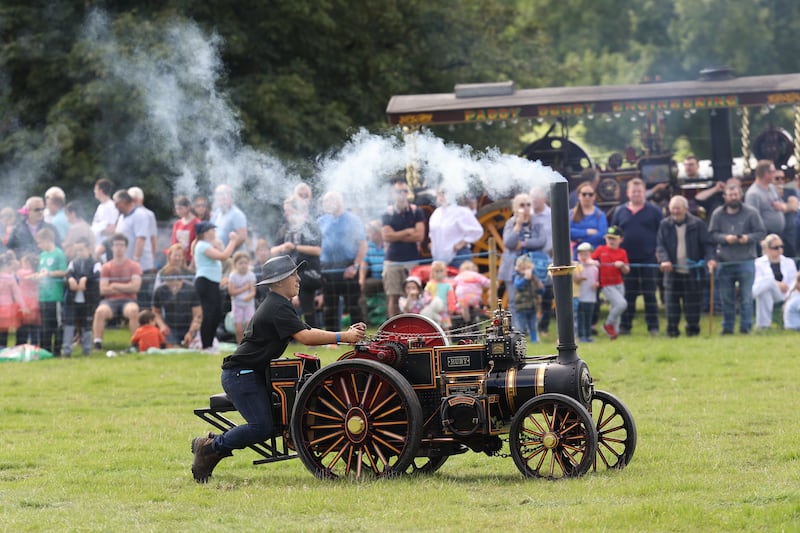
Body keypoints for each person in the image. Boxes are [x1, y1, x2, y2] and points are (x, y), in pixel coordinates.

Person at [190, 255, 367, 483]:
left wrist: (345, 334)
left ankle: (209, 445)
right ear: (279, 281)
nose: (298, 279)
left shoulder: (281, 305)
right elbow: (305, 337)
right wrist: (344, 336)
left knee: (272, 424)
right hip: (241, 375)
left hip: (251, 374)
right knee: (260, 427)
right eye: (293, 275)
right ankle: (209, 448)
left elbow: (308, 329)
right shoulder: (276, 306)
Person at [708, 181, 766, 335]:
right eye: (730, 194)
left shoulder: (751, 212)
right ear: (724, 196)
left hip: (746, 261)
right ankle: (728, 327)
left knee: (746, 298)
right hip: (725, 261)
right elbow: (712, 235)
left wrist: (747, 238)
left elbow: (761, 232)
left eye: (736, 194)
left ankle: (745, 327)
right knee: (726, 298)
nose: (733, 197)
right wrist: (725, 238)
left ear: (741, 195)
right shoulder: (717, 214)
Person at [656, 195, 716, 338]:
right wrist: (664, 260)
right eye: (672, 209)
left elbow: (707, 245)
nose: (675, 212)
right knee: (671, 305)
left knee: (693, 305)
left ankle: (693, 331)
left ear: (686, 209)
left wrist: (710, 260)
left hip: (693, 272)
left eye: (678, 208)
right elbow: (660, 245)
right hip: (672, 272)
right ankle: (672, 332)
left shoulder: (698, 224)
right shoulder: (665, 224)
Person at [611, 178, 662, 335]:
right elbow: (613, 234)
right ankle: (626, 326)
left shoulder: (654, 211)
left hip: (648, 259)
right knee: (628, 294)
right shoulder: (619, 211)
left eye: (639, 191)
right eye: (633, 191)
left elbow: (662, 233)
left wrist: (659, 251)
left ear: (644, 192)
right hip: (626, 261)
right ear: (628, 193)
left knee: (650, 294)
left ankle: (653, 327)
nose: (637, 194)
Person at [317, 191, 366, 331]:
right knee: (330, 305)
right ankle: (331, 340)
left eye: (330, 200)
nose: (327, 204)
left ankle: (359, 338)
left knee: (353, 305)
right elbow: (316, 245)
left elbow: (363, 245)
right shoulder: (321, 221)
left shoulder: (353, 220)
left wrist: (355, 266)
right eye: (325, 201)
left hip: (348, 266)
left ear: (340, 201)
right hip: (327, 268)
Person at [272, 195, 322, 327]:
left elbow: (317, 250)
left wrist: (295, 247)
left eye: (288, 210)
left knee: (306, 299)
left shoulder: (310, 226)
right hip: (289, 271)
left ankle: (314, 334)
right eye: (285, 210)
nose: (286, 213)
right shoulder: (285, 228)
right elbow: (273, 250)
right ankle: (292, 334)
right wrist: (283, 247)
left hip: (309, 271)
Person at [499, 193, 547, 326]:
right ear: (515, 208)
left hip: (532, 265)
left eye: (528, 204)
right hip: (512, 266)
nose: (526, 208)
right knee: (514, 300)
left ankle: (532, 330)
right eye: (522, 205)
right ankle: (517, 330)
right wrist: (518, 226)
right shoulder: (511, 223)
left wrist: (524, 243)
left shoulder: (537, 222)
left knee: (534, 298)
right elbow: (508, 242)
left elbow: (541, 241)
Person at [193, 221, 240, 351]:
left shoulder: (207, 245)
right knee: (209, 313)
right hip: (205, 281)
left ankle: (210, 343)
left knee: (216, 313)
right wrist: (233, 241)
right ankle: (206, 345)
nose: (214, 232)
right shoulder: (202, 245)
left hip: (212, 282)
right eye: (212, 230)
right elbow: (224, 256)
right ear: (205, 233)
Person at [382, 177, 425, 317]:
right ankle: (391, 330)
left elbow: (419, 235)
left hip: (411, 260)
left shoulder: (416, 211)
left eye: (405, 191)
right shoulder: (387, 213)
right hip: (392, 261)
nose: (402, 194)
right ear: (392, 193)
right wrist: (407, 232)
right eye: (398, 191)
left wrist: (396, 234)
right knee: (393, 297)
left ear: (408, 193)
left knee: (413, 295)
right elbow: (387, 236)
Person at [92, 233, 143, 350]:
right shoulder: (106, 267)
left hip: (129, 300)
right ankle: (97, 343)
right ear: (112, 247)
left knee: (134, 311)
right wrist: (126, 286)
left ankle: (135, 343)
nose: (119, 248)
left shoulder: (134, 266)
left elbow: (135, 287)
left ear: (126, 247)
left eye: (122, 245)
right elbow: (103, 290)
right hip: (110, 301)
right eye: (116, 245)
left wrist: (115, 285)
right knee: (100, 311)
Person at [113, 189, 156, 309]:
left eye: (117, 203)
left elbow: (140, 239)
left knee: (142, 297)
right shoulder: (121, 217)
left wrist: (135, 262)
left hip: (141, 266)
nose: (115, 207)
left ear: (125, 202)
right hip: (126, 265)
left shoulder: (140, 215)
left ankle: (146, 324)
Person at [62, 238, 100, 357]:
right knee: (69, 323)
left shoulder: (96, 263)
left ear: (88, 249)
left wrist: (86, 279)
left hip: (88, 299)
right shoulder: (73, 263)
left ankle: (87, 350)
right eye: (77, 250)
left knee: (86, 324)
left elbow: (97, 276)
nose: (79, 253)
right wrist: (70, 279)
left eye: (81, 250)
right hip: (72, 299)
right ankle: (67, 350)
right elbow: (68, 274)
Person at [427, 187, 484, 268]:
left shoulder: (462, 211)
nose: (440, 196)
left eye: (443, 193)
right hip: (439, 258)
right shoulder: (436, 213)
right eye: (439, 193)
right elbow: (432, 233)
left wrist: (462, 243)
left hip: (459, 256)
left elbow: (477, 231)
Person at [591, 226, 629, 340]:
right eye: (609, 238)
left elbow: (627, 270)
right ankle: (608, 325)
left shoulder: (622, 252)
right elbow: (590, 260)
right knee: (621, 304)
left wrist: (622, 265)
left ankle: (614, 334)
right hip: (606, 284)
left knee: (616, 308)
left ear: (620, 239)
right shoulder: (600, 249)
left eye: (614, 238)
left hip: (619, 283)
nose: (611, 241)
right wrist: (594, 262)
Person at [752, 233, 796, 330]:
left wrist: (781, 287)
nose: (780, 250)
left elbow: (793, 282)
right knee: (765, 292)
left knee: (768, 282)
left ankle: (749, 295)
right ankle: (764, 326)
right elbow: (758, 281)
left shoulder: (789, 262)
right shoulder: (758, 263)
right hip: (765, 291)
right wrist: (776, 283)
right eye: (776, 247)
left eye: (781, 247)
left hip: (785, 294)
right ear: (767, 249)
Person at [152, 265, 202, 347]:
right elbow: (156, 312)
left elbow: (198, 315)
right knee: (169, 346)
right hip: (169, 327)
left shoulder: (192, 289)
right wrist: (162, 325)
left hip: (189, 326)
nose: (174, 288)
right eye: (171, 285)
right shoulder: (159, 290)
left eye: (176, 285)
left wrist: (191, 332)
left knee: (191, 345)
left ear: (181, 280)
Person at [35, 228, 67, 357]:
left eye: (40, 243)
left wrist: (49, 274)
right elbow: (41, 272)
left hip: (55, 296)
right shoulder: (42, 255)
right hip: (42, 296)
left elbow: (63, 272)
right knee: (44, 324)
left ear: (48, 240)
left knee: (56, 324)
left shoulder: (59, 254)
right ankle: (46, 351)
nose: (39, 246)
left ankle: (57, 350)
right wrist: (35, 276)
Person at [529, 186, 555, 336]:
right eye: (531, 198)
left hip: (549, 258)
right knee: (531, 294)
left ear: (544, 199)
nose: (533, 201)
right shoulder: (527, 215)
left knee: (547, 294)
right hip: (531, 260)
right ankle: (532, 328)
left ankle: (543, 326)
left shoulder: (552, 214)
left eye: (536, 198)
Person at [745, 159, 786, 238]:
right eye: (773, 172)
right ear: (766, 174)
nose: (775, 174)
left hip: (779, 235)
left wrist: (781, 206)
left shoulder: (771, 187)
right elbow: (753, 219)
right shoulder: (753, 194)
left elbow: (781, 202)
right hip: (765, 236)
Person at [358, 220, 385, 326]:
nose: (369, 235)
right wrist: (361, 279)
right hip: (374, 279)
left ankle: (389, 319)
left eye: (370, 232)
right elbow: (364, 263)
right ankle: (365, 321)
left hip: (386, 278)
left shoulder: (387, 244)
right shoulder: (369, 246)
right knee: (362, 296)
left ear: (377, 233)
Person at [569, 182, 608, 252]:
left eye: (590, 194)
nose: (587, 197)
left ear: (594, 196)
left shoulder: (600, 215)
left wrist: (579, 239)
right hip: (576, 255)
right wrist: (587, 232)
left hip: (595, 255)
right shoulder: (571, 214)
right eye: (584, 194)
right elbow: (568, 232)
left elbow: (602, 235)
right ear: (578, 195)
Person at [227, 251, 256, 344]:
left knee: (249, 327)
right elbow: (231, 291)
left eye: (245, 263)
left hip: (249, 304)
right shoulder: (233, 276)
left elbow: (253, 291)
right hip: (237, 305)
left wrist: (248, 297)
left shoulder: (251, 275)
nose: (243, 265)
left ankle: (249, 344)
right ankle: (240, 345)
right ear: (235, 264)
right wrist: (244, 288)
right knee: (238, 328)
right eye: (240, 263)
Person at [0, 251, 27, 348]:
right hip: (7, 307)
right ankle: (3, 348)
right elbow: (17, 294)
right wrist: (23, 306)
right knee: (5, 329)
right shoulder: (9, 278)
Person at [513, 254, 542, 343]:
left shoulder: (534, 277)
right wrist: (525, 279)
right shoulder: (518, 277)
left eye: (528, 268)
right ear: (519, 269)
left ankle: (534, 340)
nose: (527, 271)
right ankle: (520, 342)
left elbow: (539, 289)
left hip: (532, 306)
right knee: (521, 326)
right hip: (522, 307)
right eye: (524, 269)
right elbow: (518, 285)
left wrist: (541, 288)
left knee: (533, 325)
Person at [573, 242, 599, 343]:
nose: (584, 257)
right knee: (581, 318)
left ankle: (588, 335)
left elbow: (596, 279)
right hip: (581, 296)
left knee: (589, 317)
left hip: (591, 297)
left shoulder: (594, 268)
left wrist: (596, 283)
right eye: (581, 254)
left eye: (586, 254)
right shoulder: (578, 267)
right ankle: (581, 335)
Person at [211, 184, 248, 251]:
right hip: (219, 255)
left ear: (230, 197)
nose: (221, 197)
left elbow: (242, 237)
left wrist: (226, 250)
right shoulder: (217, 213)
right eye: (218, 194)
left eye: (223, 194)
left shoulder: (237, 214)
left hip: (232, 257)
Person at [772, 167, 798, 259]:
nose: (780, 181)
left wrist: (782, 207)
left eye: (783, 178)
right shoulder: (768, 192)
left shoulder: (790, 189)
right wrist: (787, 207)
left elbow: (794, 206)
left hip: (790, 230)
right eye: (777, 178)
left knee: (792, 255)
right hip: (774, 231)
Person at [453, 259, 490, 324]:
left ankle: (467, 322)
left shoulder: (460, 276)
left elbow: (453, 283)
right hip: (474, 296)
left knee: (464, 308)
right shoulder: (476, 275)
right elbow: (486, 282)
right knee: (476, 305)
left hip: (462, 296)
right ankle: (477, 317)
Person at [15, 253, 41, 345]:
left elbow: (21, 274)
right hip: (34, 301)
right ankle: (34, 344)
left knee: (23, 325)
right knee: (34, 326)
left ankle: (21, 344)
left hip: (25, 302)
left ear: (27, 263)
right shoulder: (36, 272)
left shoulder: (22, 272)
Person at [424, 260, 455, 330]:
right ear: (432, 273)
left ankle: (448, 339)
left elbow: (451, 297)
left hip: (444, 310)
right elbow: (426, 294)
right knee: (434, 326)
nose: (439, 273)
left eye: (441, 271)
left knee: (445, 326)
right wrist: (429, 299)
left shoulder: (447, 285)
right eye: (437, 271)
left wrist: (451, 307)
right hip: (433, 309)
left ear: (445, 272)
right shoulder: (430, 284)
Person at [170, 195, 199, 265]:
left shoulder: (197, 223)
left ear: (188, 207)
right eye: (177, 209)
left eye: (180, 208)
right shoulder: (177, 224)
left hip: (191, 260)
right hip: (178, 260)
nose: (178, 211)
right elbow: (174, 243)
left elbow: (197, 245)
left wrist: (192, 264)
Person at [90, 178, 119, 243]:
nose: (94, 191)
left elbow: (112, 229)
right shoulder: (100, 207)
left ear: (101, 191)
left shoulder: (111, 206)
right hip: (97, 244)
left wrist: (96, 231)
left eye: (95, 189)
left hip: (107, 246)